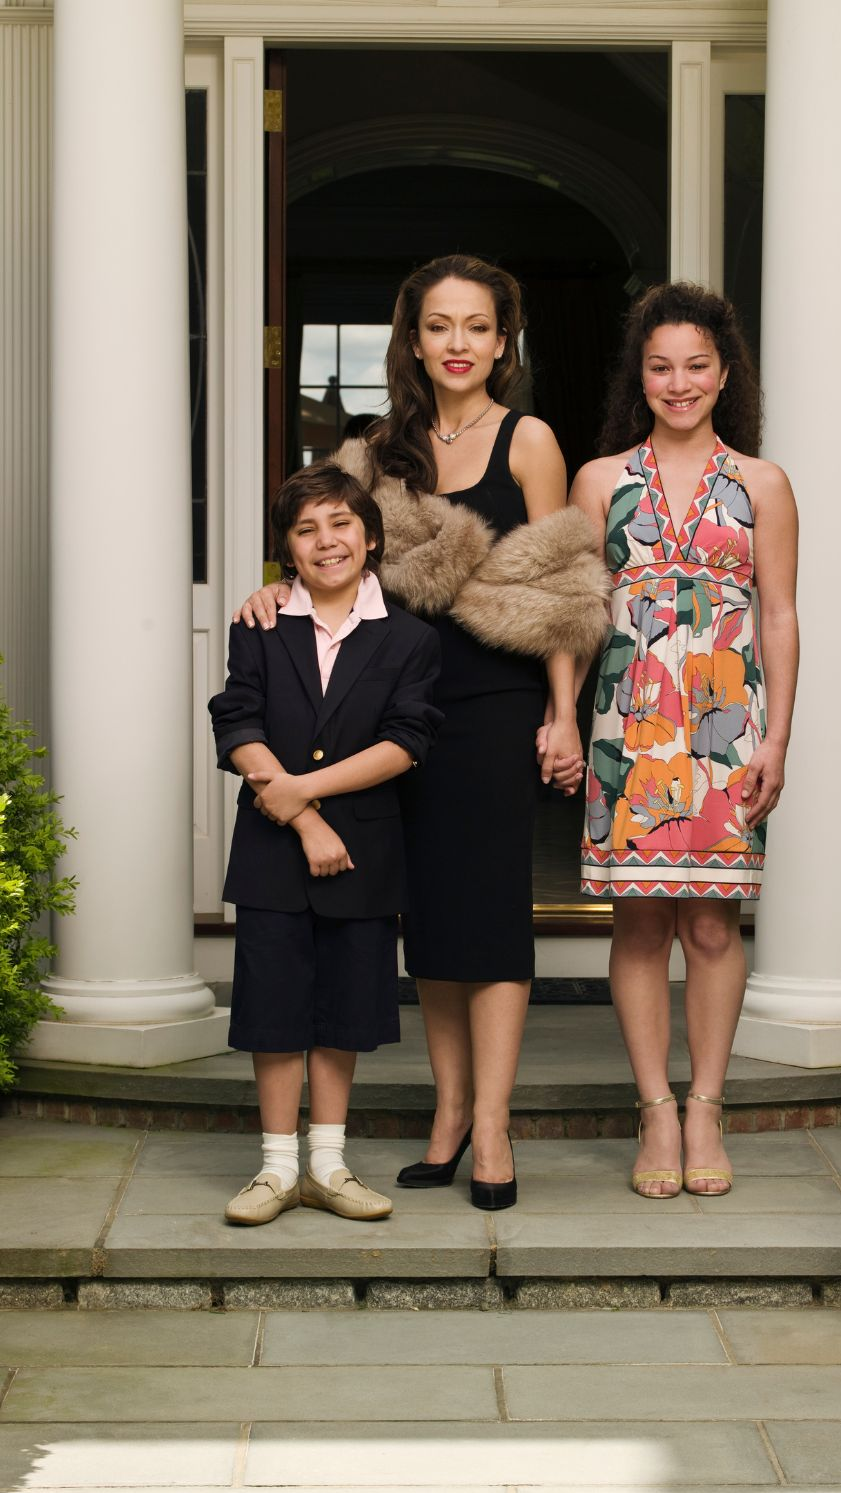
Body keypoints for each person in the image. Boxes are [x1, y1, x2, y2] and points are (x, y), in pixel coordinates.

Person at [236, 255, 608, 1209]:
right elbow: (325, 550)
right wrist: (273, 589)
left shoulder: (530, 441)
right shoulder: (372, 449)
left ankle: (493, 1128)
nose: (457, 345)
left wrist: (562, 715)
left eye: (476, 327)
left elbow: (562, 590)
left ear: (503, 342)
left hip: (491, 708)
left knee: (488, 915)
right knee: (424, 916)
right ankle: (447, 1115)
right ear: (412, 339)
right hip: (381, 712)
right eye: (438, 326)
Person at [572, 281, 799, 1198]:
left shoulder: (762, 483)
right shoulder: (599, 481)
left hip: (727, 725)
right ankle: (654, 1113)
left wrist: (777, 738)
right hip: (627, 722)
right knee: (639, 920)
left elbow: (779, 614)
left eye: (696, 365)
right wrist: (559, 714)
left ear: (724, 372)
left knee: (711, 921)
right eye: (661, 367)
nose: (678, 383)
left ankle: (706, 1104)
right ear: (642, 375)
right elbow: (573, 613)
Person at [210, 462, 442, 1225]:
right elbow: (237, 720)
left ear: (370, 537)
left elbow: (405, 743)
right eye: (306, 529)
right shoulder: (261, 623)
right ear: (287, 550)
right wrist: (303, 818)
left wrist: (307, 791)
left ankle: (328, 1165)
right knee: (274, 1009)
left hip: (364, 854)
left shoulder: (408, 637)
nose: (326, 540)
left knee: (344, 1009)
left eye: (341, 523)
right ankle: (277, 1169)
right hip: (274, 851)